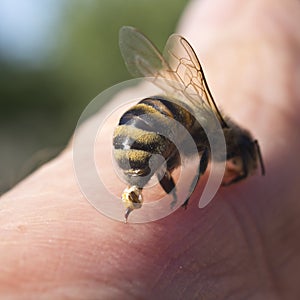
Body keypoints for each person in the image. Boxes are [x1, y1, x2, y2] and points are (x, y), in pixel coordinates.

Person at [1, 0, 299, 298]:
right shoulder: (212, 135)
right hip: (150, 129)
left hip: (136, 130)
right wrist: (181, 194)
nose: (235, 167)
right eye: (240, 161)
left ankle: (142, 181)